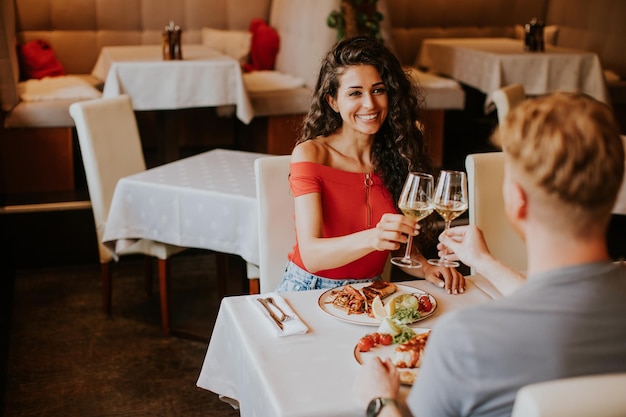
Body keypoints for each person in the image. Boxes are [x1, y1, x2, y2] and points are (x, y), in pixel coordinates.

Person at [354, 92, 626, 417]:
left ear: (518, 200)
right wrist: (484, 262)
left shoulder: (466, 341)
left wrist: (380, 401)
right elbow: (563, 305)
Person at [275, 35, 465, 293]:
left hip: (372, 291)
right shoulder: (312, 154)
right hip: (310, 289)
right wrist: (373, 237)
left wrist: (426, 267)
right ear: (333, 101)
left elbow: (396, 241)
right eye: (355, 93)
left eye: (378, 90)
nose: (370, 104)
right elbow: (312, 255)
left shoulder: (398, 154)